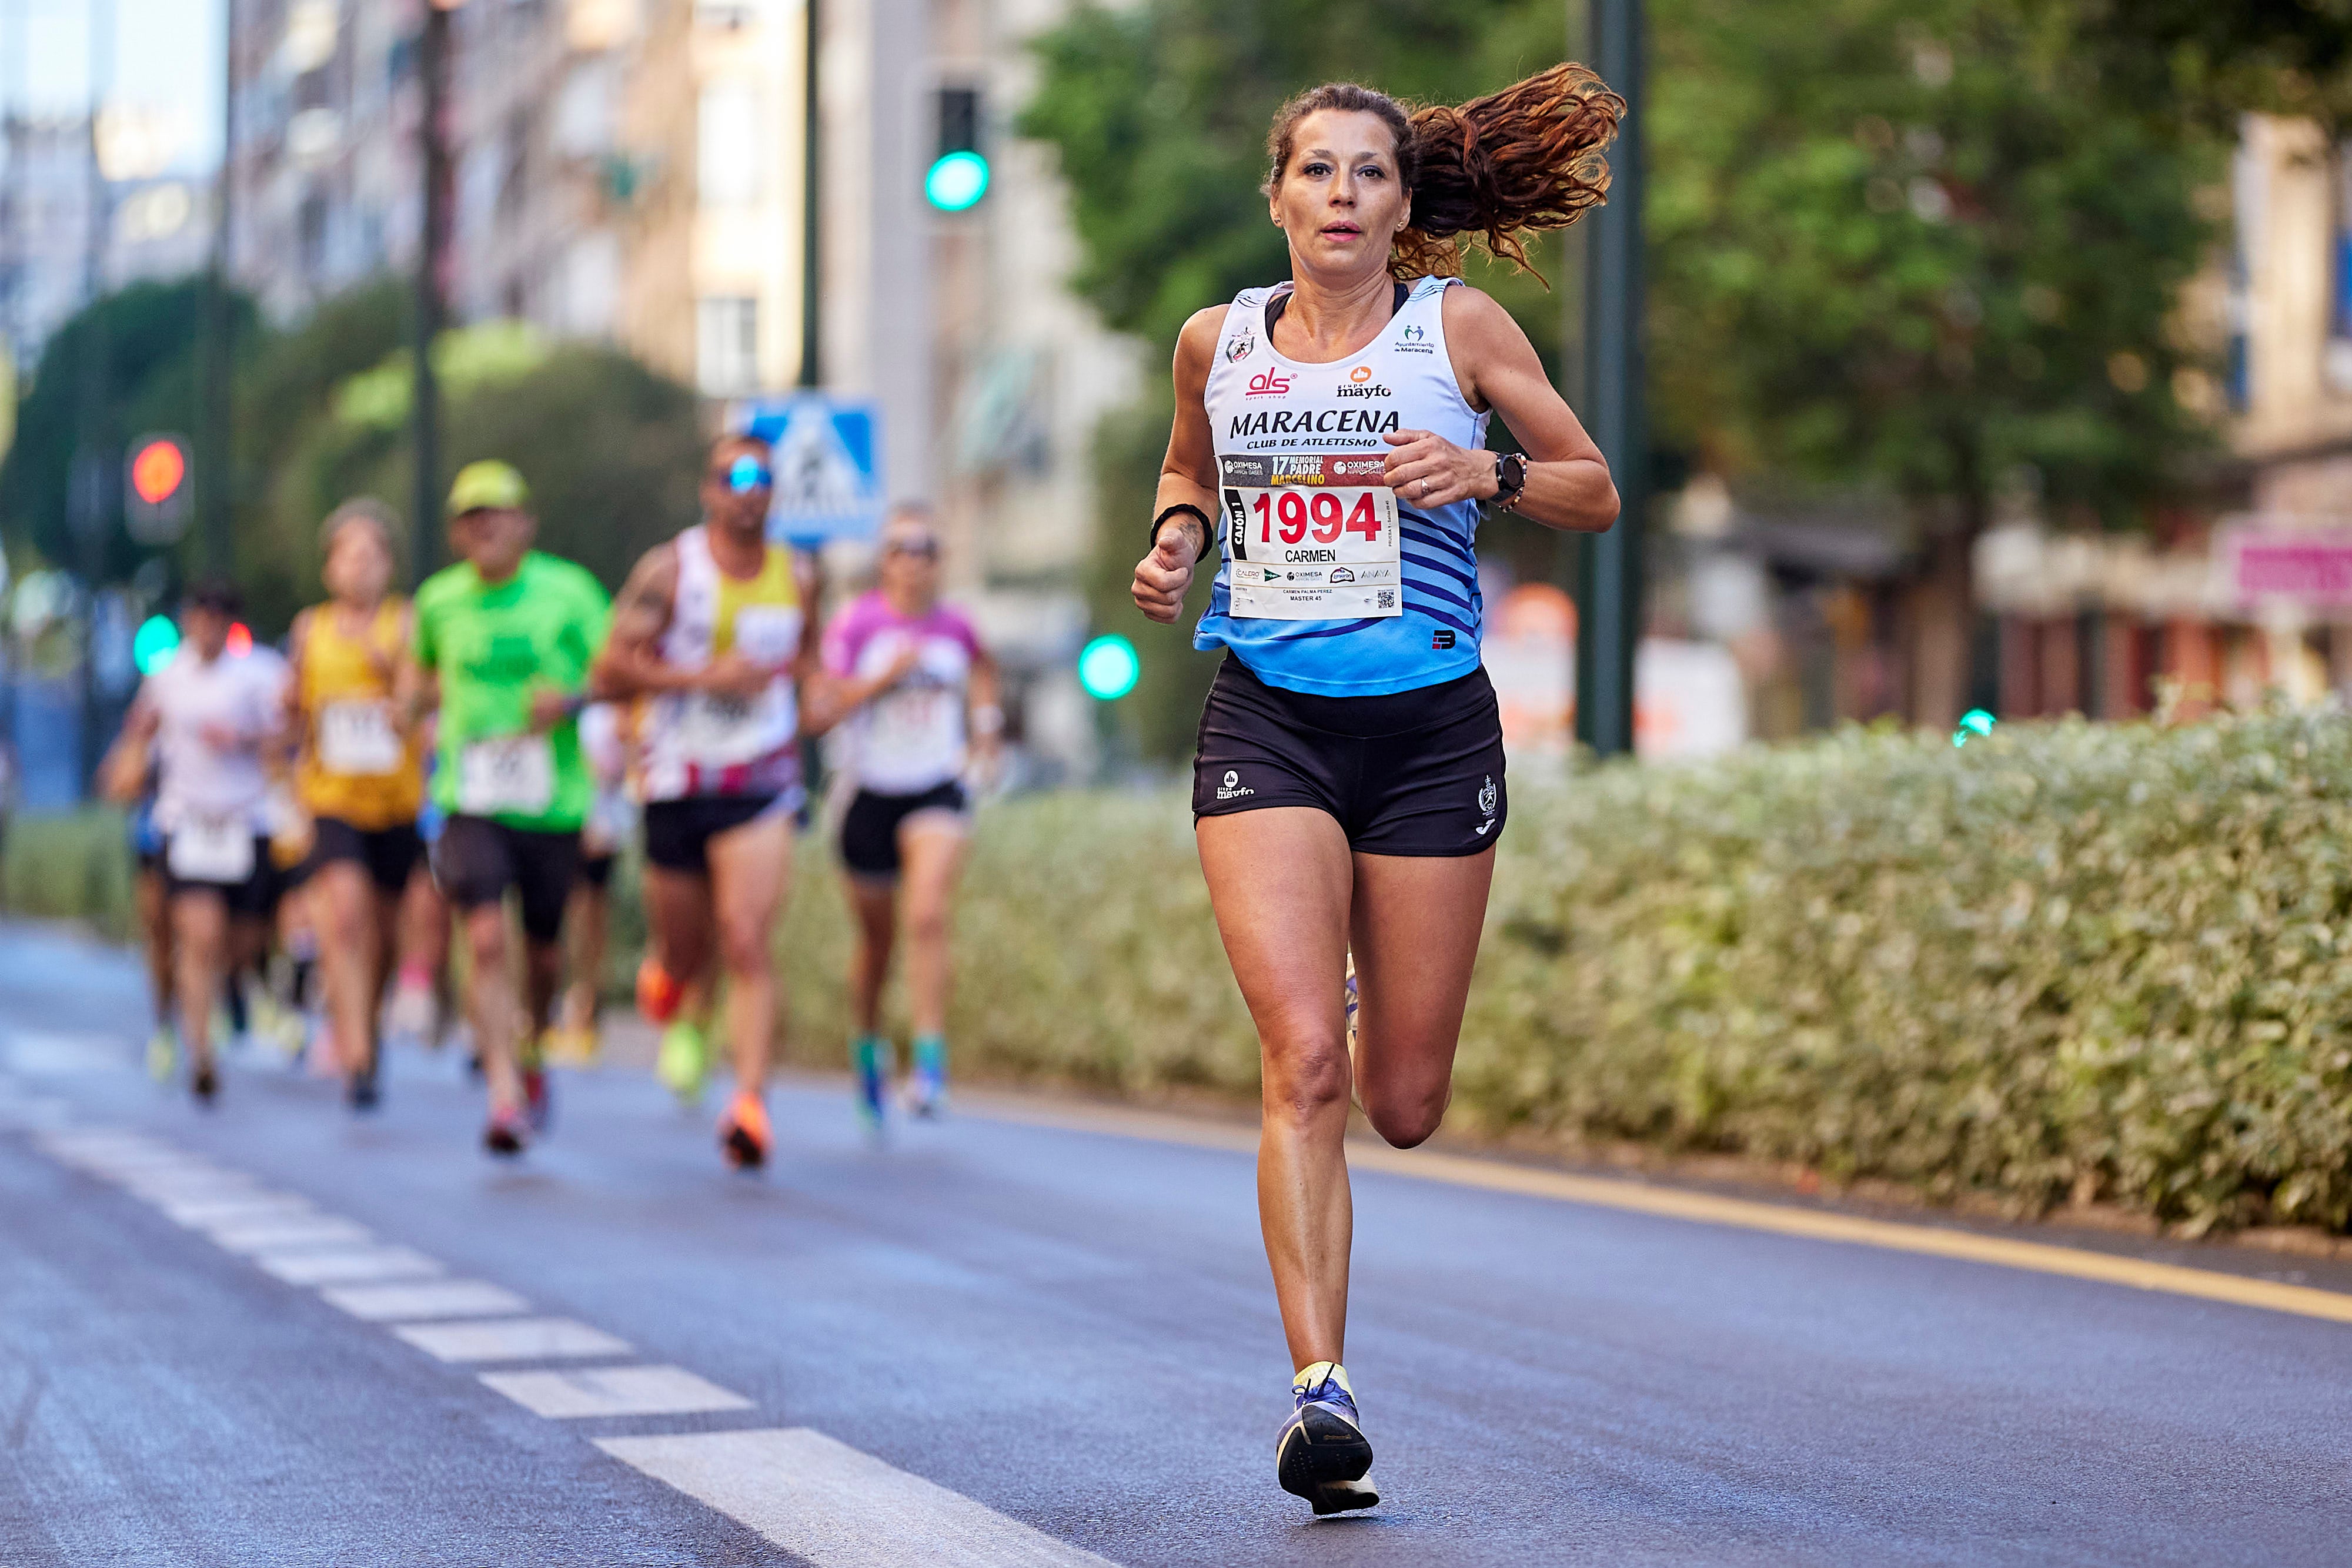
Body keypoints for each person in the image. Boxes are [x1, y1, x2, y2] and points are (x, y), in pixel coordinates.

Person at [1128, 69, 1623, 1514]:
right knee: (1305, 1064)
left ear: (1403, 208)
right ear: (1277, 196)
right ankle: (1318, 1392)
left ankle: (1351, 1011)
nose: (1341, 196)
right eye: (1317, 173)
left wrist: (1484, 469)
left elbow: (1593, 483)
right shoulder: (1215, 341)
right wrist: (1173, 548)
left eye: (1369, 176)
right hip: (1267, 721)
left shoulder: (1452, 330)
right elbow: (1187, 471)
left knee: (1401, 1100)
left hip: (1426, 738)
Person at [594, 433, 818, 1170]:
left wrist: (845, 700)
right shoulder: (671, 570)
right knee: (687, 948)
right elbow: (611, 668)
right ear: (708, 490)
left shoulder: (802, 576)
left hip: (760, 780)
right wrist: (701, 679)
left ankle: (749, 1105)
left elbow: (808, 671)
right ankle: (673, 986)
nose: (748, 490)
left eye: (761, 477)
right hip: (677, 778)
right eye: (733, 477)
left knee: (747, 936)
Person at [400, 461, 610, 1155]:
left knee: (544, 951)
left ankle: (533, 1047)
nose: (484, 527)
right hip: (472, 793)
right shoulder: (437, 601)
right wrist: (405, 704)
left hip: (554, 799)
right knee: (487, 937)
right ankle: (502, 1095)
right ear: (457, 533)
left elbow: (616, 673)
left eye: (497, 513)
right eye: (469, 517)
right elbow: (418, 675)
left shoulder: (570, 591)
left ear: (527, 521)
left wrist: (572, 700)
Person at [810, 506, 1000, 1128]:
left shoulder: (955, 627)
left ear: (938, 562)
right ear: (883, 561)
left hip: (934, 787)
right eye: (900, 549)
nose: (914, 561)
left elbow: (983, 671)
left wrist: (986, 737)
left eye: (926, 549)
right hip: (868, 791)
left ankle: (929, 1064)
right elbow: (823, 710)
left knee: (926, 915)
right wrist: (882, 679)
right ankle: (867, 1043)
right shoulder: (857, 624)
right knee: (876, 942)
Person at [101, 581, 291, 1103]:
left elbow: (289, 735)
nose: (204, 628)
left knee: (241, 941)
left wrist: (246, 739)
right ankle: (201, 1052)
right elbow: (139, 735)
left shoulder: (264, 672)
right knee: (197, 933)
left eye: (216, 618)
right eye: (197, 617)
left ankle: (237, 987)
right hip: (185, 823)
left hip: (248, 821)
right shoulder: (166, 677)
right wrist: (125, 767)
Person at [280, 499, 426, 1111]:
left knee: (387, 935)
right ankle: (357, 1052)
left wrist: (392, 674)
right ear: (329, 568)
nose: (359, 567)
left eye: (371, 555)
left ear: (388, 565)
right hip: (332, 797)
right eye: (348, 555)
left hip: (395, 800)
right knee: (343, 917)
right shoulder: (309, 630)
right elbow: (294, 714)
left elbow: (421, 697)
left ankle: (365, 1020)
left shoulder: (406, 624)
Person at [547, 699, 634, 1065]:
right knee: (553, 913)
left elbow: (628, 754)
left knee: (590, 913)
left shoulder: (612, 703)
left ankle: (584, 1005)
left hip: (601, 818)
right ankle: (548, 1004)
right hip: (552, 814)